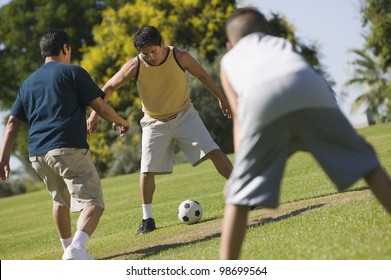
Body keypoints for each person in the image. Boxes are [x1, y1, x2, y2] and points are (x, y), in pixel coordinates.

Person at [219, 7, 391, 260]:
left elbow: (239, 117)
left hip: (260, 101)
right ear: (267, 32)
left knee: (239, 197)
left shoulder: (228, 61)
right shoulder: (281, 43)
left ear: (230, 45)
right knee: (368, 163)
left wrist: (239, 173)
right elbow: (301, 77)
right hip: (308, 89)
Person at [87, 26, 233, 235]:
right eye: (145, 53)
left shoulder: (179, 56)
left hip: (185, 115)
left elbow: (202, 75)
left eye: (153, 51)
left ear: (162, 43)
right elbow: (109, 87)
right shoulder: (135, 65)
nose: (150, 56)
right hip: (154, 122)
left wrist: (221, 97)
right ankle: (147, 219)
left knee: (214, 151)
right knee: (146, 170)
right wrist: (94, 115)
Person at [0, 29, 130, 260]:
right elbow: (99, 107)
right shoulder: (73, 72)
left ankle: (68, 249)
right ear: (65, 49)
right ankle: (76, 249)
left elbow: (12, 123)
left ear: (43, 53)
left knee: (60, 200)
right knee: (94, 201)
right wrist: (121, 121)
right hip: (66, 147)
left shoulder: (27, 83)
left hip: (38, 154)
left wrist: (3, 159)